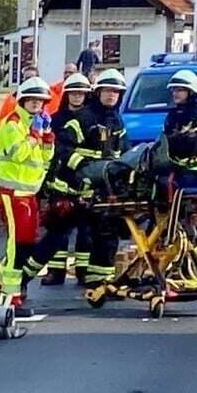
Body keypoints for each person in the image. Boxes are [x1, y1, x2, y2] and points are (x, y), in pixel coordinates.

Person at [0, 76, 55, 314]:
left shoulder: (33, 124)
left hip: (30, 193)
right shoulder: (13, 124)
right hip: (12, 193)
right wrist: (35, 136)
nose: (37, 104)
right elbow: (19, 154)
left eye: (41, 101)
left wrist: (48, 138)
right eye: (33, 100)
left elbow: (45, 159)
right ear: (23, 100)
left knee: (26, 243)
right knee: (17, 246)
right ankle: (11, 298)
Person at [66, 69, 128, 294]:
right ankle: (95, 280)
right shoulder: (85, 118)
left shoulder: (117, 120)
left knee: (107, 231)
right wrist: (85, 172)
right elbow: (65, 151)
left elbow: (124, 152)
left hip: (109, 185)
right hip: (89, 184)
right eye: (108, 91)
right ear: (98, 91)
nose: (112, 95)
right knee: (91, 231)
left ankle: (101, 279)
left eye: (116, 92)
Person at [29, 71, 93, 286]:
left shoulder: (91, 119)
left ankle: (83, 271)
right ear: (67, 95)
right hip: (61, 180)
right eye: (73, 94)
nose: (76, 97)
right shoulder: (56, 119)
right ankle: (55, 271)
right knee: (58, 229)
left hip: (86, 182)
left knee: (86, 229)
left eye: (80, 94)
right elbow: (50, 149)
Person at [0, 64, 39, 129]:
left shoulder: (43, 101)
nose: (29, 81)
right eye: (26, 78)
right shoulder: (12, 99)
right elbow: (0, 122)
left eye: (32, 78)